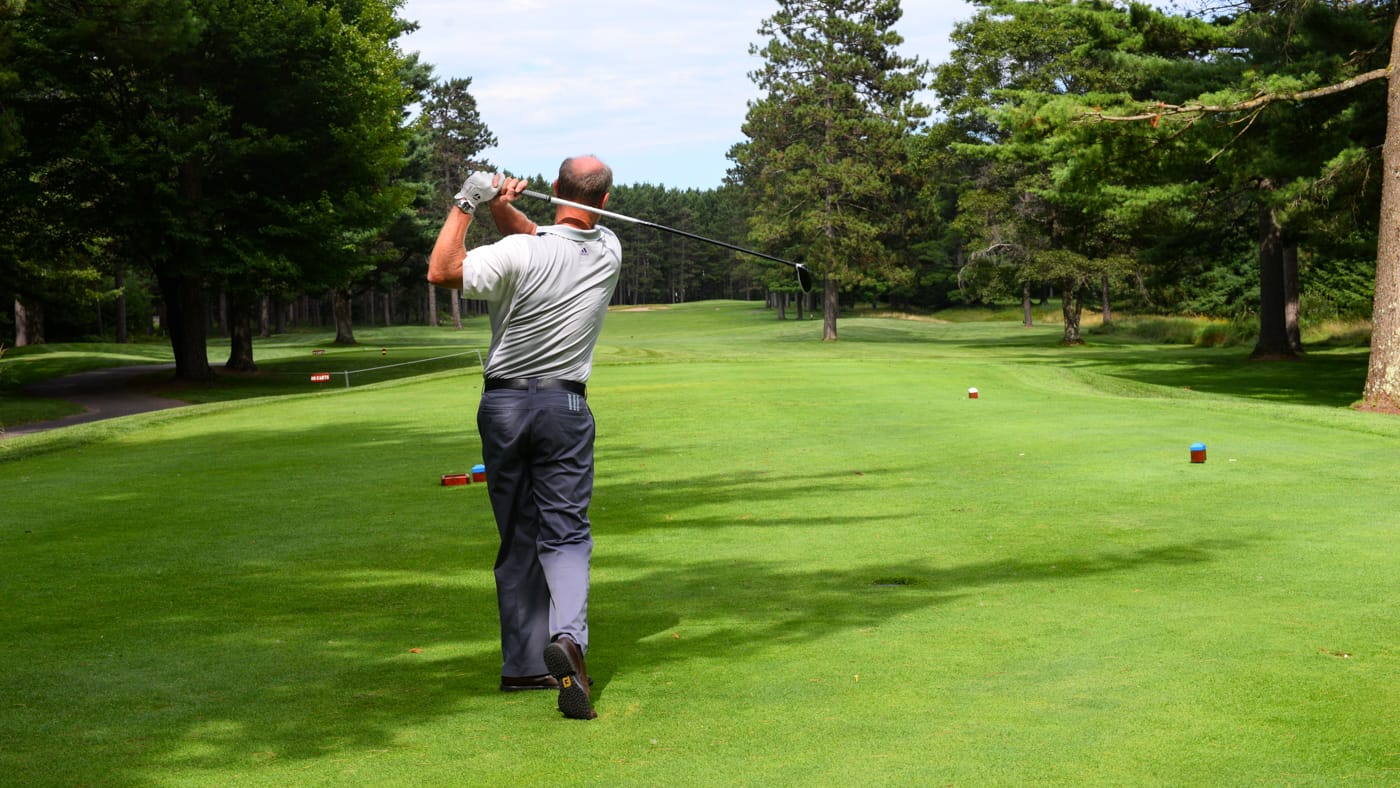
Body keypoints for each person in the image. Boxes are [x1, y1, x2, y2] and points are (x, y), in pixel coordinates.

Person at [427, 156, 621, 721]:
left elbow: (442, 271)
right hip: (564, 406)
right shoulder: (609, 250)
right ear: (604, 202)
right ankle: (568, 640)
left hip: (505, 405)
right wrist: (500, 207)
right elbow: (544, 239)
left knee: (517, 536)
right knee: (566, 534)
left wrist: (469, 200)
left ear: (555, 189)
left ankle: (523, 667)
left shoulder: (517, 254)